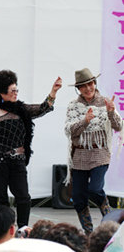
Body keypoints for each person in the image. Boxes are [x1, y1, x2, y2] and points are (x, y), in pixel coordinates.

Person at [0, 70, 62, 228]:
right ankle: (3, 230)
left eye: (17, 90)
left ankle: (22, 229)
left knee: (23, 197)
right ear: (1, 92)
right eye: (12, 90)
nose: (16, 93)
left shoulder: (21, 109)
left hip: (18, 161)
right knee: (0, 200)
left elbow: (43, 108)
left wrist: (53, 91)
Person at [65, 68, 123, 235]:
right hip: (79, 155)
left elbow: (118, 126)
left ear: (94, 83)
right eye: (83, 86)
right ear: (78, 88)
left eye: (90, 83)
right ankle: (89, 232)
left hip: (100, 153)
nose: (88, 88)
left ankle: (110, 219)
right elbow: (69, 130)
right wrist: (84, 121)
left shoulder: (105, 102)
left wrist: (111, 112)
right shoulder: (73, 106)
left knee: (95, 189)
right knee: (78, 198)